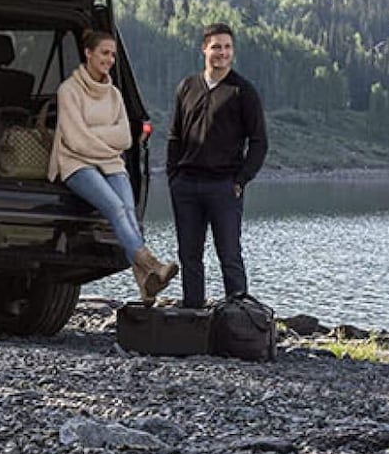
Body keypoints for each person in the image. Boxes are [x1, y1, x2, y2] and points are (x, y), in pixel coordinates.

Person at [51, 29, 176, 302]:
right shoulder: (68, 91)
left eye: (113, 54)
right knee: (116, 207)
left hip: (109, 162)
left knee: (129, 212)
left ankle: (145, 283)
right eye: (104, 53)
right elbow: (75, 140)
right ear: (88, 53)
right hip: (75, 163)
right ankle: (151, 265)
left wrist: (93, 134)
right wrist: (105, 140)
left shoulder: (114, 94)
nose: (109, 59)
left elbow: (125, 138)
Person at [166, 22, 267, 309]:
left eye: (227, 47)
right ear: (204, 49)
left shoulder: (243, 91)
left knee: (229, 254)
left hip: (224, 186)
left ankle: (238, 317)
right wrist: (174, 177)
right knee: (189, 255)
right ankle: (193, 313)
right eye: (216, 47)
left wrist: (240, 180)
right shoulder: (187, 87)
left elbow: (259, 142)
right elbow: (174, 135)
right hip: (186, 185)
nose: (222, 53)